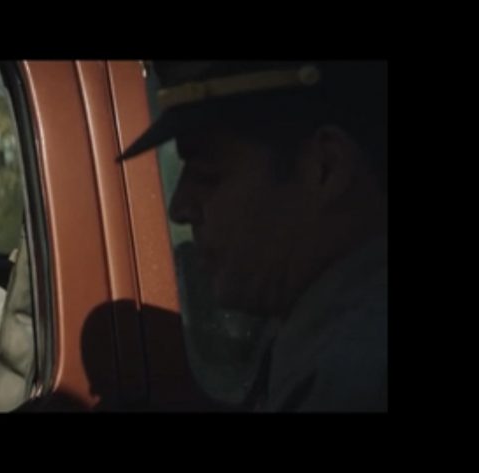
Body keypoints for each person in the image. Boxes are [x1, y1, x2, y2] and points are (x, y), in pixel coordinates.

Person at [120, 61, 387, 411]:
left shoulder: (351, 378)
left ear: (325, 167)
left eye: (208, 175)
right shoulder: (326, 344)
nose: (180, 208)